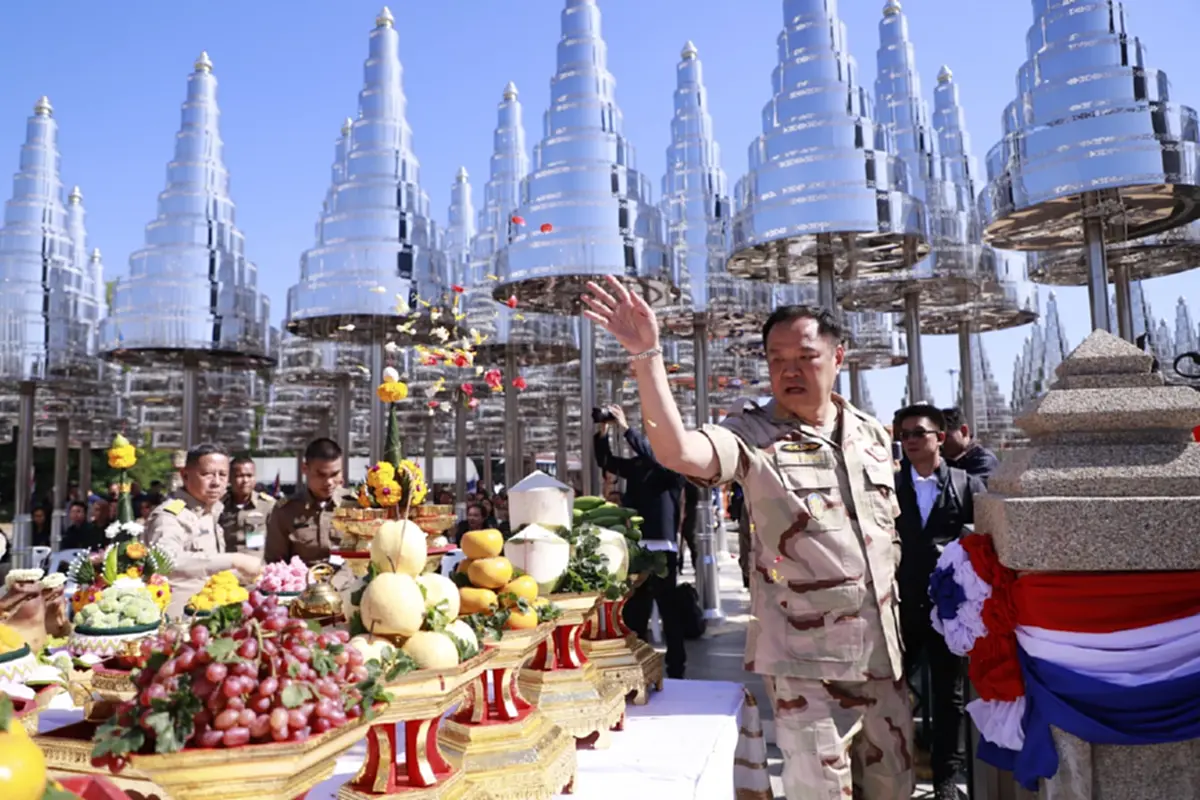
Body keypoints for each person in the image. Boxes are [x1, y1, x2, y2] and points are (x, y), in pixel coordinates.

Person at [582, 277, 912, 799]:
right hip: (807, 668)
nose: (790, 370)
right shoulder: (751, 436)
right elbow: (679, 451)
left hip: (883, 661)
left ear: (838, 357)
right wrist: (647, 355)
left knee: (893, 786)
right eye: (777, 359)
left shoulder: (870, 432)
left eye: (805, 356)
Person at [894, 404, 985, 800]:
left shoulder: (968, 485)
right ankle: (895, 772)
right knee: (892, 690)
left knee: (951, 696)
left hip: (950, 612)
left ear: (940, 437)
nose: (910, 441)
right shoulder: (886, 486)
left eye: (919, 433)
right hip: (898, 605)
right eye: (905, 435)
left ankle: (947, 780)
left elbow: (983, 545)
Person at [593, 403, 687, 679]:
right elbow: (607, 462)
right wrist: (602, 432)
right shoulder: (637, 466)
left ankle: (677, 666)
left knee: (669, 610)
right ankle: (637, 661)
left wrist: (626, 429)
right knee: (636, 608)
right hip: (637, 544)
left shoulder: (673, 467)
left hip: (663, 547)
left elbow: (654, 457)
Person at [145, 444, 262, 617]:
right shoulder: (170, 517)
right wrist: (234, 560)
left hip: (208, 611)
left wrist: (244, 575)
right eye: (207, 474)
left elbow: (206, 570)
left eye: (222, 475)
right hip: (178, 619)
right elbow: (167, 562)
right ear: (185, 475)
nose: (216, 482)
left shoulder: (210, 511)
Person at [264, 438, 355, 566]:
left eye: (334, 474)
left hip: (347, 583)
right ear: (305, 469)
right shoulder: (285, 511)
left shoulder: (354, 505)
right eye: (321, 475)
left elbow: (361, 557)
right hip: (303, 583)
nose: (329, 482)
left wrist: (335, 584)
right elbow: (276, 563)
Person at [219, 457, 276, 553]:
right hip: (228, 564)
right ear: (229, 478)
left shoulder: (267, 505)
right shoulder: (219, 505)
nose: (245, 480)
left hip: (256, 563)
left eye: (249, 476)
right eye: (239, 476)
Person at [940, 407, 999, 485]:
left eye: (946, 437)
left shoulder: (984, 460)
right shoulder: (948, 461)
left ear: (964, 431)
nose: (940, 443)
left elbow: (968, 489)